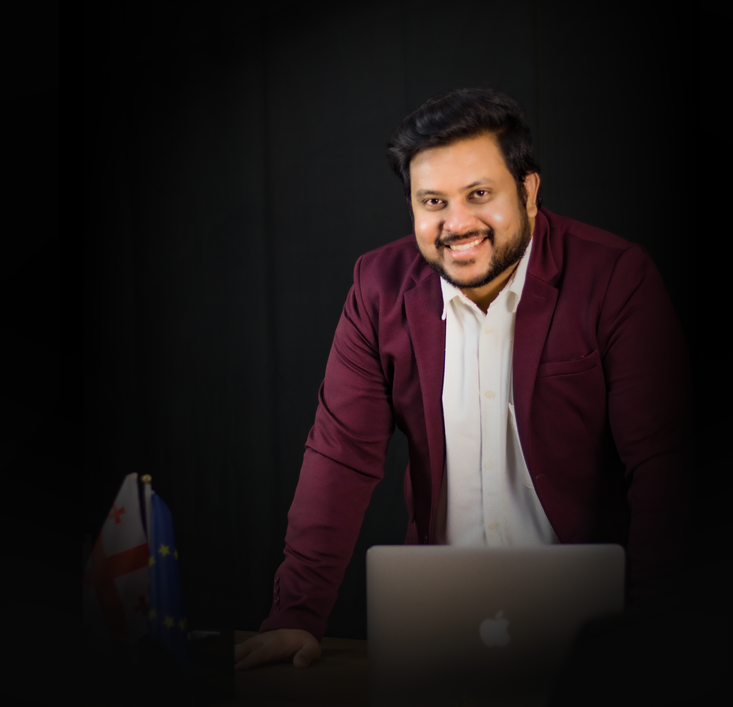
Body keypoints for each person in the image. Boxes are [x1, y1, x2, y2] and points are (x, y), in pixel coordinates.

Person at [234, 87, 697, 671]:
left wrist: (653, 624)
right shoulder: (378, 288)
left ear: (528, 191)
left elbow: (664, 461)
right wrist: (296, 614)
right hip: (442, 625)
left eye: (479, 194)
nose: (456, 223)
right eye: (433, 201)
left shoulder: (614, 277)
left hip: (595, 634)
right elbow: (340, 456)